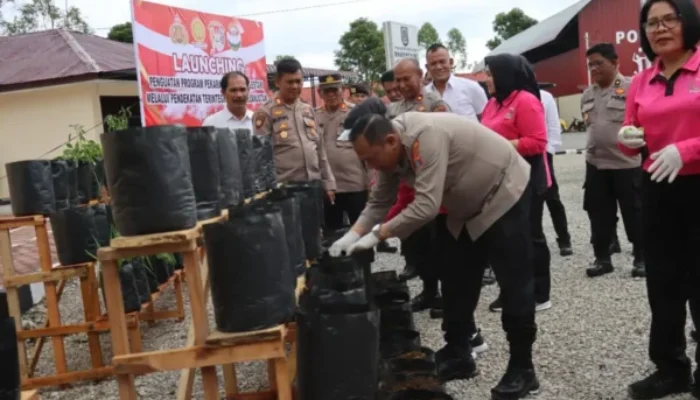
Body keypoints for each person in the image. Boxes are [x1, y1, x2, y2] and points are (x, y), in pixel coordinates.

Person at [329, 108, 539, 398]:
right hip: (463, 209)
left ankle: (522, 368)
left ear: (390, 141)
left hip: (502, 194)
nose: (370, 166)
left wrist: (379, 235)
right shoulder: (389, 152)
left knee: (514, 284)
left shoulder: (426, 136)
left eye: (371, 159)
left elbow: (426, 206)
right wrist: (353, 235)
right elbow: (380, 200)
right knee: (455, 279)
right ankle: (458, 353)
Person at [618, 0, 700, 398]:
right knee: (663, 281)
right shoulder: (640, 80)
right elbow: (633, 128)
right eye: (651, 23)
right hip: (657, 187)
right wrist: (630, 140)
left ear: (689, 22)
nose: (660, 28)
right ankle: (671, 368)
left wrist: (687, 150)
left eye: (669, 19)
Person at [481, 54, 552, 313]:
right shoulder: (493, 104)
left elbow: (537, 142)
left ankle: (539, 293)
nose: (486, 79)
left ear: (505, 74)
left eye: (490, 74)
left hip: (527, 178)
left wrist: (501, 146)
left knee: (530, 236)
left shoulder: (526, 101)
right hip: (501, 179)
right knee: (506, 238)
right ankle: (512, 290)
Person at [389, 58, 449, 314]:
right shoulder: (393, 109)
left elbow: (446, 142)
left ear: (420, 76)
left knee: (441, 244)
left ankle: (448, 298)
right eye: (398, 80)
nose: (402, 85)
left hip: (433, 186)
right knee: (418, 244)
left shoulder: (435, 105)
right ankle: (428, 291)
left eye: (407, 79)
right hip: (407, 187)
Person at [581, 43, 645, 278]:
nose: (593, 68)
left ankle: (641, 257)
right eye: (590, 65)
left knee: (635, 212)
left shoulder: (632, 88)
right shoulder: (588, 94)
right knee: (598, 214)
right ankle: (602, 258)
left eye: (599, 63)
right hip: (596, 164)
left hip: (626, 164)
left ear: (615, 62)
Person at [253, 58, 336, 199]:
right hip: (285, 190)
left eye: (298, 81)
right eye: (290, 82)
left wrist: (329, 183)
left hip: (314, 185)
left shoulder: (308, 109)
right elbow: (261, 158)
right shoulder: (265, 113)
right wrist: (268, 193)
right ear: (278, 82)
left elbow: (320, 150)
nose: (295, 86)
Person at [315, 74, 368, 230]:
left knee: (360, 232)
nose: (331, 94)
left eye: (334, 90)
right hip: (327, 187)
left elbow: (369, 150)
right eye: (326, 91)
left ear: (343, 90)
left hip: (355, 185)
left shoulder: (356, 113)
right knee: (332, 233)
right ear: (320, 93)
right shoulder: (313, 116)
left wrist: (372, 183)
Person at [540, 88, 573, 256]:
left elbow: (553, 125)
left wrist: (550, 150)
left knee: (552, 197)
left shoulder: (544, 97)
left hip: (542, 154)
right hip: (519, 154)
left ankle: (564, 238)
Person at [424, 43, 489, 120]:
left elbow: (486, 119)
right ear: (427, 67)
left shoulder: (471, 87)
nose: (438, 67)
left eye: (442, 62)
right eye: (433, 63)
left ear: (451, 62)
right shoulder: (424, 94)